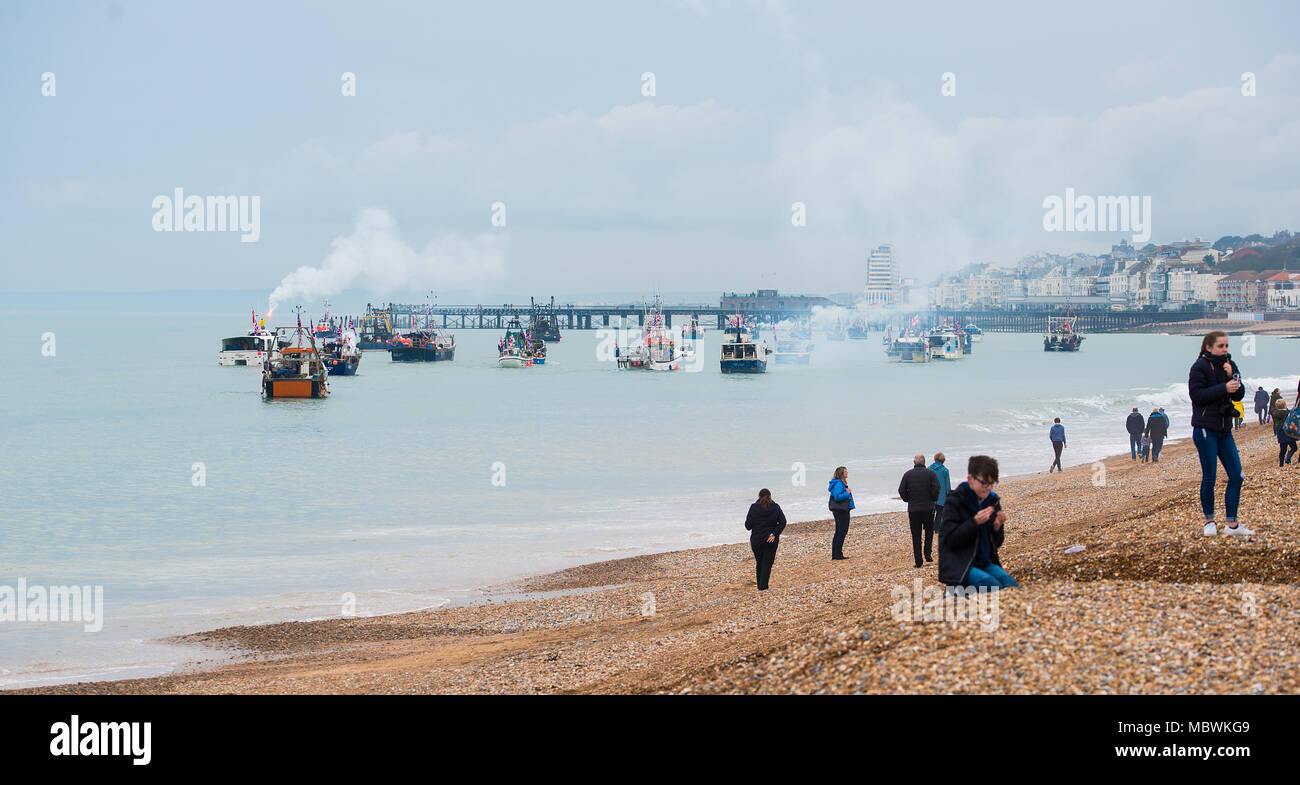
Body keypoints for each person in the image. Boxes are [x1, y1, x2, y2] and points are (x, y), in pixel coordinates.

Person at [1188, 330, 1252, 536]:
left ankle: (1232, 525)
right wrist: (1224, 386)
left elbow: (1239, 394)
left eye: (1226, 346)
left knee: (1237, 476)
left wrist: (1230, 375)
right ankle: (1209, 523)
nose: (1225, 350)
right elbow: (1197, 396)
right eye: (1220, 346)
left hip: (1225, 429)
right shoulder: (1199, 367)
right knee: (1210, 477)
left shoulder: (1230, 365)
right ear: (1209, 347)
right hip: (1205, 429)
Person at [938, 455, 1019, 589]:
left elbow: (997, 544)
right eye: (984, 483)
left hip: (985, 563)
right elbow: (950, 540)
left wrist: (997, 527)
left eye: (991, 484)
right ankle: (955, 592)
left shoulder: (992, 501)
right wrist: (974, 522)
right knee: (992, 586)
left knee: (1011, 585)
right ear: (970, 479)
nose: (988, 488)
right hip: (960, 566)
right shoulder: (955, 501)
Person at [898, 454, 940, 568]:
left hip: (914, 509)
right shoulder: (931, 474)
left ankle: (918, 560)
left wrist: (908, 499)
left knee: (916, 535)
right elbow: (937, 488)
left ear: (914, 462)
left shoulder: (908, 474)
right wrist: (933, 498)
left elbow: (901, 490)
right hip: (928, 508)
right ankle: (928, 554)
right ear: (924, 462)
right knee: (929, 531)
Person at [744, 489, 787, 591]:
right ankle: (763, 587)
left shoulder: (754, 508)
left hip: (757, 540)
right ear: (770, 496)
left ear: (759, 496)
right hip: (771, 539)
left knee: (759, 563)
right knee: (767, 563)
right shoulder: (775, 507)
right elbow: (783, 522)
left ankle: (761, 587)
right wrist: (774, 533)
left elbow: (748, 526)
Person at [827, 467, 855, 560]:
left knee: (840, 531)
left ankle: (837, 553)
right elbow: (837, 497)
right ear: (841, 473)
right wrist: (847, 493)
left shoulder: (840, 483)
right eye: (845, 471)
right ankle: (837, 554)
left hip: (841, 510)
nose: (847, 473)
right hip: (841, 511)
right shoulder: (839, 483)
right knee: (841, 532)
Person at [928, 452, 951, 543]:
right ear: (943, 460)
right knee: (940, 512)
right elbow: (947, 485)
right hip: (941, 495)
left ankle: (930, 527)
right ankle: (937, 528)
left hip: (931, 494)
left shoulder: (929, 469)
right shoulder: (945, 470)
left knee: (931, 512)